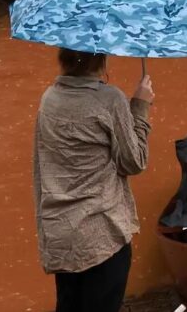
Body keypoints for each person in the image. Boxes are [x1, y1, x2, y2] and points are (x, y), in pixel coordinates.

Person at [33, 48, 154, 312]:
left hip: (61, 235)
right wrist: (141, 106)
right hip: (101, 236)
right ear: (101, 58)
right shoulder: (109, 99)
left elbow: (43, 165)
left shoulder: (49, 98)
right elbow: (134, 162)